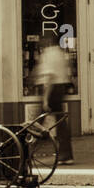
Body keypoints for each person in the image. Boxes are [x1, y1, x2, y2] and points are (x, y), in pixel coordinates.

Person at [33, 32, 75, 164]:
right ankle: (66, 154)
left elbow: (49, 77)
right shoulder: (60, 53)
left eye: (42, 40)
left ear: (47, 41)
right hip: (60, 88)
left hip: (51, 90)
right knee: (61, 123)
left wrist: (45, 98)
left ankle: (25, 150)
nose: (40, 43)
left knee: (36, 122)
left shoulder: (48, 54)